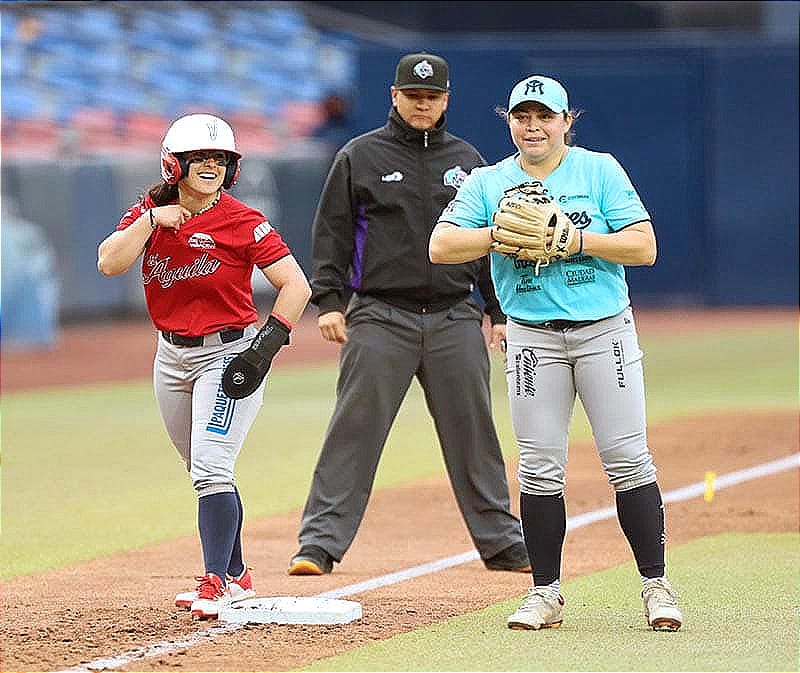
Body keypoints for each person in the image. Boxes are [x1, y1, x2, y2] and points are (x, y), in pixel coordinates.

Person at [429, 74, 683, 631]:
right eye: (523, 116)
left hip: (602, 331)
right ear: (509, 122)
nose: (533, 126)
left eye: (546, 116)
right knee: (540, 471)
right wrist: (500, 232)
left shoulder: (598, 169)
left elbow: (644, 247)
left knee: (627, 460)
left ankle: (656, 587)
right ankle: (544, 593)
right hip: (532, 336)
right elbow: (442, 245)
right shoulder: (489, 181)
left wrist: (574, 239)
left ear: (567, 122)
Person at [288, 53, 530, 576]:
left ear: (446, 100)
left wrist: (498, 310)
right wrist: (329, 301)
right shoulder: (359, 156)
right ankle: (318, 545)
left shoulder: (467, 160)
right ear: (394, 97)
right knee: (353, 431)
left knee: (475, 434)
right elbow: (330, 233)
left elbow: (487, 241)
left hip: (454, 316)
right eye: (413, 96)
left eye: (433, 97)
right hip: (381, 315)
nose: (423, 105)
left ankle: (502, 542)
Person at [97, 113, 311, 620]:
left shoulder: (243, 221)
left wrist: (262, 351)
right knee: (201, 467)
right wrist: (151, 221)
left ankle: (215, 580)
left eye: (219, 159)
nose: (210, 166)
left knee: (212, 468)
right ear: (176, 164)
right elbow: (109, 262)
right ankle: (238, 575)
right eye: (200, 158)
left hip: (228, 353)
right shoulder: (148, 212)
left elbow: (296, 285)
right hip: (170, 355)